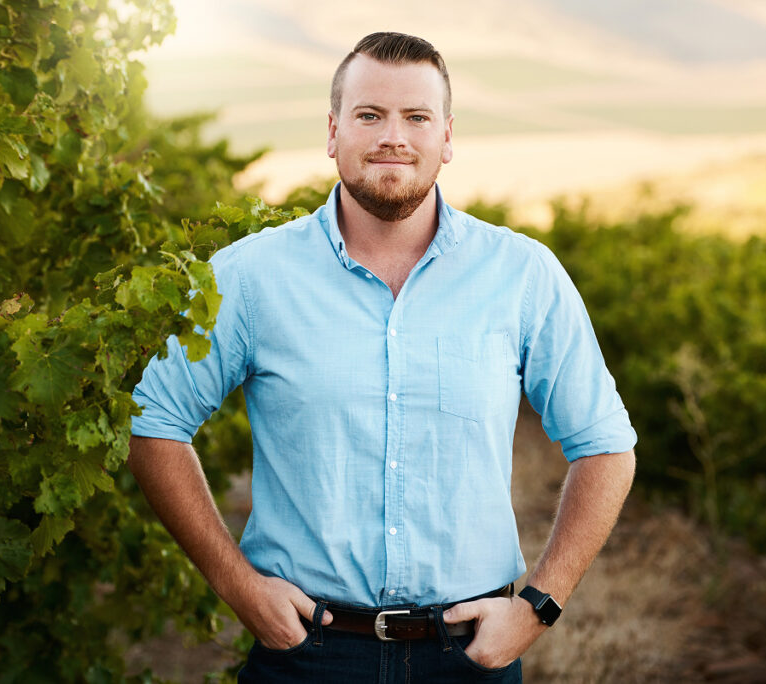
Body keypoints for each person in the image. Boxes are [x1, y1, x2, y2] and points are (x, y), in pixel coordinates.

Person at [127, 32, 637, 683]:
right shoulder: (248, 277)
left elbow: (605, 446)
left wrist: (538, 606)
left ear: (446, 137)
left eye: (416, 117)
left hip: (471, 654)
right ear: (334, 131)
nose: (392, 135)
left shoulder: (522, 275)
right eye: (370, 115)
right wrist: (239, 586)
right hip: (306, 654)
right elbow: (155, 423)